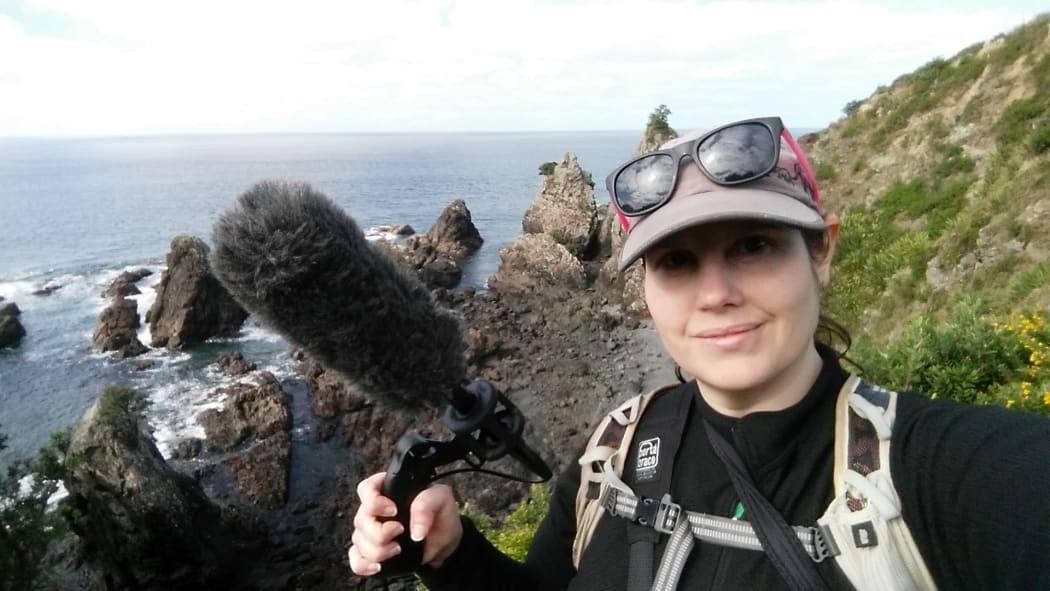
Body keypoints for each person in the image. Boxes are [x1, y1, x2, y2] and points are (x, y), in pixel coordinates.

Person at [348, 116, 1050, 590]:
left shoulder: (937, 472)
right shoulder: (615, 450)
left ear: (822, 251)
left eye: (753, 244)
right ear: (645, 289)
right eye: (677, 261)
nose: (715, 292)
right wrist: (452, 553)